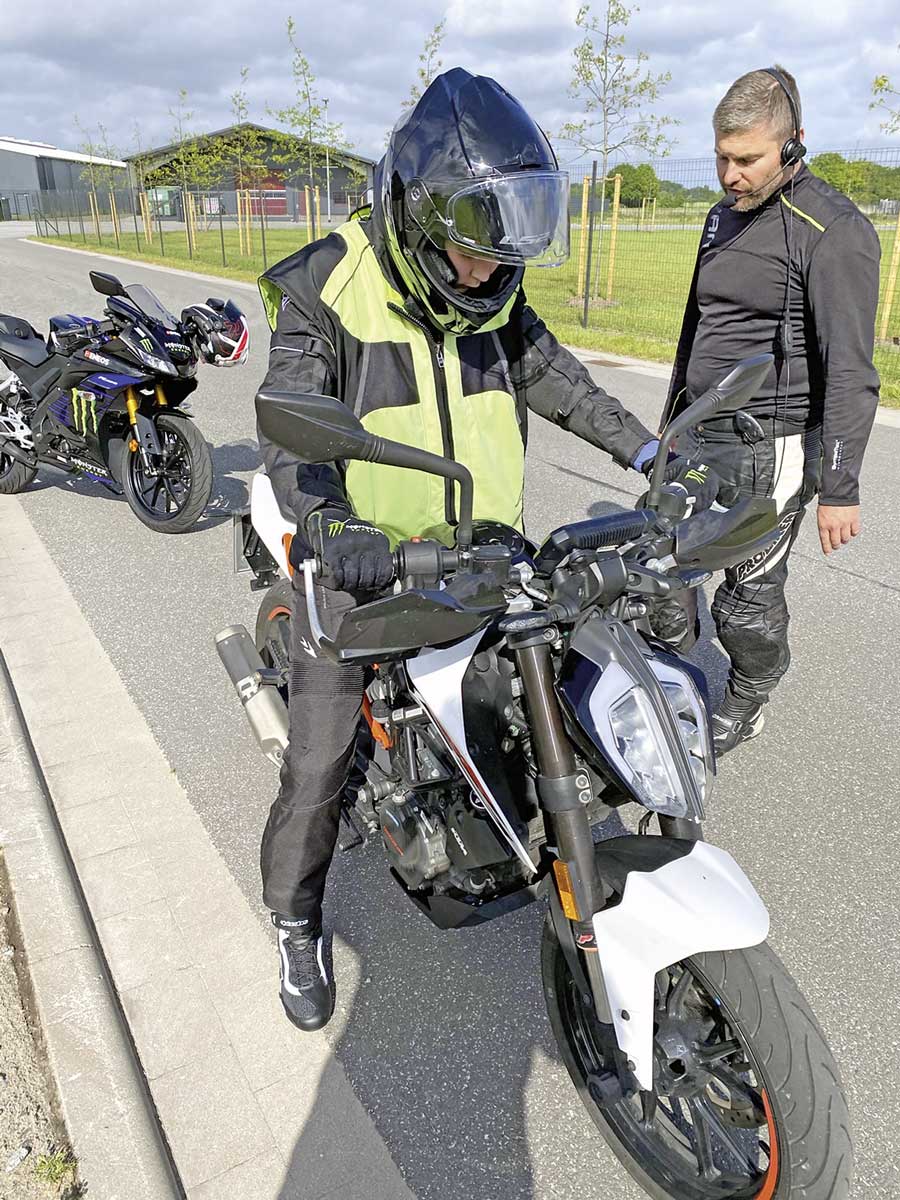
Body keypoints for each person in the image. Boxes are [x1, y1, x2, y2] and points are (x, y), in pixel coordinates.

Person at [255, 68, 717, 1031]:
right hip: (371, 572)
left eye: (500, 251)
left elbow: (554, 375)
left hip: (484, 553)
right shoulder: (323, 285)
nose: (486, 273)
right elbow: (295, 431)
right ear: (416, 218)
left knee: (561, 687)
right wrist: (332, 528)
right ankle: (294, 918)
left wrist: (649, 450)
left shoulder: (494, 288)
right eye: (467, 252)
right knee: (317, 771)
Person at [657, 65, 880, 756]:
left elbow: (851, 367)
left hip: (771, 445)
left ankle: (751, 696)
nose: (730, 174)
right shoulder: (720, 216)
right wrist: (669, 428)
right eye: (722, 157)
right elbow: (698, 331)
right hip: (698, 434)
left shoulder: (833, 230)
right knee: (655, 574)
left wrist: (840, 487)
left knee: (745, 597)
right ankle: (666, 684)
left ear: (791, 146)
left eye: (747, 159)